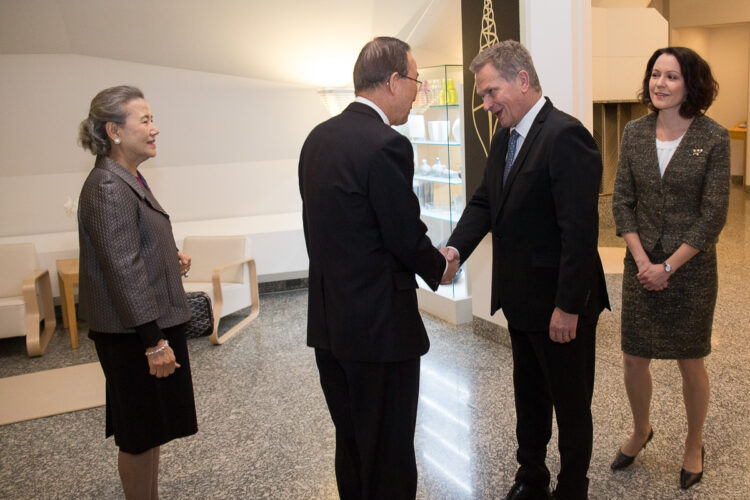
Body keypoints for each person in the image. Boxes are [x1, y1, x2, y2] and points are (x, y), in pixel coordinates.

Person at [442, 40, 609, 500]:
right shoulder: (505, 139)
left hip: (561, 304)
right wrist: (455, 250)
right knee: (530, 397)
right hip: (520, 300)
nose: (486, 104)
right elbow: (484, 203)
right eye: (482, 95)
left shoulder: (566, 136)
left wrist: (567, 307)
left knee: (572, 405)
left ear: (522, 80)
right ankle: (530, 476)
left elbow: (579, 234)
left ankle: (573, 486)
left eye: (491, 91)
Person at [298, 37, 458, 499]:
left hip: (330, 326)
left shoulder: (317, 139)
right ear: (392, 82)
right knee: (388, 452)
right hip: (379, 332)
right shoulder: (386, 144)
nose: (415, 92)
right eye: (414, 81)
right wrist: (439, 267)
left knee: (351, 445)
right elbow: (402, 234)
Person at [610, 47, 729, 490]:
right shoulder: (634, 133)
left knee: (689, 360)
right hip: (641, 265)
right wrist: (643, 261)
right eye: (655, 75)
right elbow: (622, 201)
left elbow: (713, 214)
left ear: (690, 85)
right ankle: (641, 429)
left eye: (672, 76)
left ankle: (693, 443)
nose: (660, 83)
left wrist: (669, 267)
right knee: (633, 358)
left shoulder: (712, 137)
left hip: (691, 270)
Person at [77, 85, 198, 499]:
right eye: (144, 120)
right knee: (138, 434)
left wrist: (169, 255)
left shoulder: (127, 177)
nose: (155, 129)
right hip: (134, 336)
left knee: (151, 429)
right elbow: (122, 268)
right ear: (113, 130)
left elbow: (132, 245)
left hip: (142, 328)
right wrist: (154, 342)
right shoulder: (109, 186)